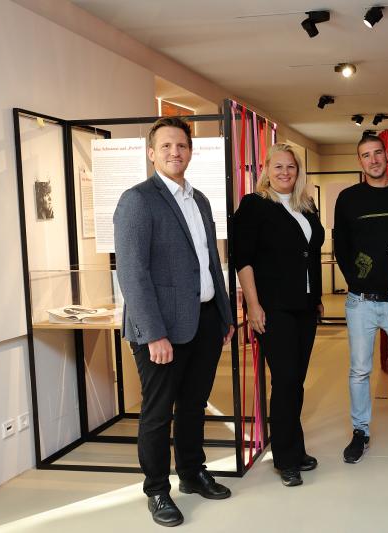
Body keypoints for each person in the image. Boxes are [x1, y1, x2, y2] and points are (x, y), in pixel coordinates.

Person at [114, 117, 235, 527]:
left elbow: (210, 263)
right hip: (162, 330)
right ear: (151, 152)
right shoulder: (138, 200)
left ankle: (192, 472)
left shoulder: (198, 199)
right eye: (165, 146)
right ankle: (157, 490)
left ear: (191, 151)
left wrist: (223, 312)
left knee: (194, 406)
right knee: (157, 412)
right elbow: (132, 274)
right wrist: (154, 334)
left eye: (181, 145)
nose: (174, 152)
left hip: (202, 322)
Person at [233, 143, 325, 488]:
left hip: (303, 307)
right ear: (266, 170)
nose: (285, 172)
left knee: (295, 381)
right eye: (278, 167)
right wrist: (253, 305)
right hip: (273, 307)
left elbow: (309, 255)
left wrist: (315, 296)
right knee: (285, 380)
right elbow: (244, 260)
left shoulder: (306, 204)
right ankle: (285, 458)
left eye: (291, 167)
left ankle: (294, 447)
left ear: (298, 171)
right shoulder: (254, 205)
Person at [334, 134, 388, 463]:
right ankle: (360, 432)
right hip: (360, 302)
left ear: (387, 156)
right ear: (360, 161)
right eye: (365, 155)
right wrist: (355, 277)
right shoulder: (348, 199)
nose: (372, 160)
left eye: (377, 154)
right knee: (359, 370)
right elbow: (341, 245)